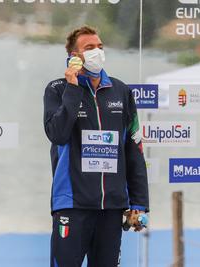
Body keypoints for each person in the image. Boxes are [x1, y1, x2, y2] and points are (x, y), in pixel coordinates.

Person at [43, 26, 149, 267]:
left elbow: (133, 149)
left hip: (112, 206)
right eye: (89, 48)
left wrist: (139, 203)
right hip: (72, 204)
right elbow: (57, 134)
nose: (97, 53)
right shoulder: (57, 89)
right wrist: (73, 88)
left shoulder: (121, 91)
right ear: (73, 56)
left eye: (100, 47)